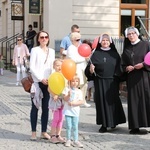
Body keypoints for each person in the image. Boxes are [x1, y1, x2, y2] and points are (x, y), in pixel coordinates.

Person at [85, 33, 126, 133]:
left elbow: (119, 68)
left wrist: (118, 77)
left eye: (107, 40)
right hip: (100, 82)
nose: (105, 42)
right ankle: (104, 124)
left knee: (112, 102)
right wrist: (90, 70)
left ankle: (113, 122)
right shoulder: (95, 54)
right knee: (101, 102)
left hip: (112, 82)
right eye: (103, 40)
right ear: (100, 42)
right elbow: (88, 70)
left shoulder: (115, 54)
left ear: (110, 42)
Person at [121, 26, 150, 134]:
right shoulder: (126, 49)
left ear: (137, 34)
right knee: (134, 102)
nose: (131, 35)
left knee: (146, 100)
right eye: (129, 34)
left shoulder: (146, 45)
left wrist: (143, 64)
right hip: (132, 79)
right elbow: (122, 65)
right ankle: (135, 126)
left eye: (133, 33)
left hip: (144, 77)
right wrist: (126, 68)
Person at [29, 30, 55, 140]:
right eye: (42, 37)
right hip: (37, 82)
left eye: (46, 37)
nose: (44, 39)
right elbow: (32, 67)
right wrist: (41, 78)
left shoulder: (52, 51)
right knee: (35, 107)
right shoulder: (35, 50)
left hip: (48, 83)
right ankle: (33, 132)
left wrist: (51, 78)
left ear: (48, 39)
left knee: (46, 108)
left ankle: (44, 131)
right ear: (38, 39)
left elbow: (53, 66)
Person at [66, 32, 91, 107]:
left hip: (83, 68)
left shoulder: (80, 47)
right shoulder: (71, 48)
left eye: (79, 40)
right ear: (72, 40)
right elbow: (73, 59)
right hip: (76, 69)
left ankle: (83, 100)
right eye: (77, 40)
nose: (78, 41)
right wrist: (84, 58)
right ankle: (75, 100)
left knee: (85, 84)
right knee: (77, 85)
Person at [62, 74, 84, 148]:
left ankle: (76, 140)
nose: (75, 83)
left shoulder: (79, 91)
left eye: (76, 81)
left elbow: (81, 101)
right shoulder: (67, 89)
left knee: (75, 126)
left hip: (75, 111)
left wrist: (74, 103)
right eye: (73, 81)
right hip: (68, 111)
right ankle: (68, 139)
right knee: (68, 126)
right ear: (70, 82)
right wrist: (68, 95)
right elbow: (65, 99)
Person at [48, 59, 66, 144]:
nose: (59, 67)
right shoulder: (53, 76)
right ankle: (52, 135)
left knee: (61, 119)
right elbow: (49, 88)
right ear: (54, 66)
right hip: (55, 101)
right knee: (56, 118)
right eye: (57, 65)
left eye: (61, 65)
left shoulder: (64, 76)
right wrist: (53, 94)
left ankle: (58, 135)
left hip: (62, 100)